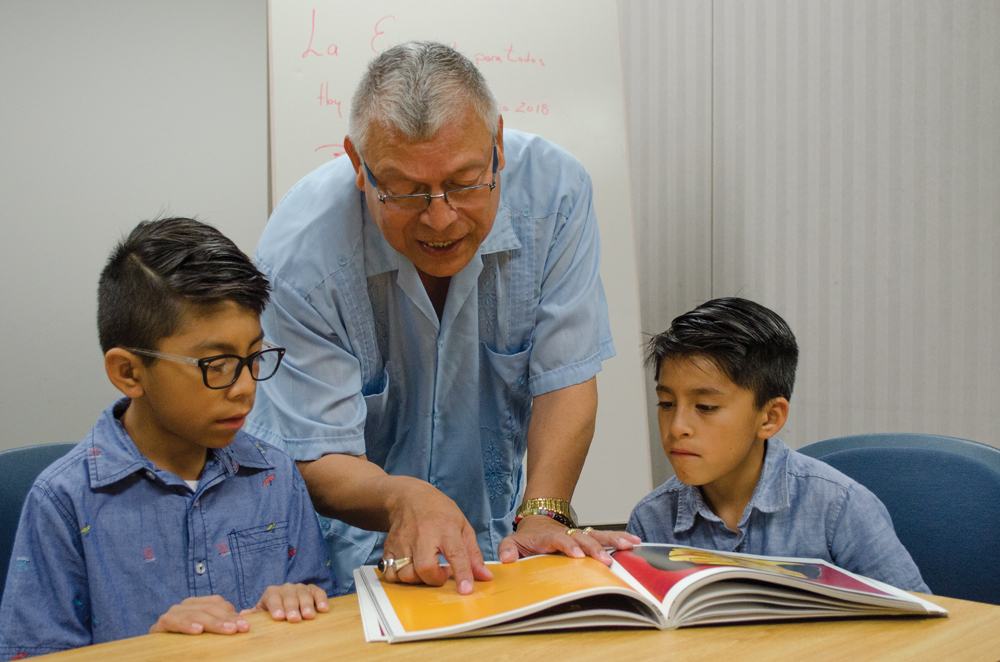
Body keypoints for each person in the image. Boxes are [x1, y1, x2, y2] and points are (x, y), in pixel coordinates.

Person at [247, 41, 638, 594]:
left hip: (498, 552)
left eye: (464, 183)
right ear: (359, 167)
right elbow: (316, 450)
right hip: (349, 560)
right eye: (406, 191)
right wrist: (404, 498)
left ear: (498, 145)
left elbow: (566, 378)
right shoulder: (301, 255)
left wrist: (543, 512)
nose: (440, 218)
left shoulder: (557, 195)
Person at [0, 218, 337, 657]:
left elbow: (323, 614)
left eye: (255, 356)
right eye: (216, 365)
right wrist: (149, 651)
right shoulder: (63, 501)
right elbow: (33, 652)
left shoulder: (275, 475)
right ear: (129, 373)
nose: (246, 387)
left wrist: (300, 605)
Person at [627, 297, 928, 592]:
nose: (677, 427)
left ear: (770, 417)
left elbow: (922, 624)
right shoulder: (650, 520)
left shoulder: (838, 508)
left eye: (705, 407)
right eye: (666, 403)